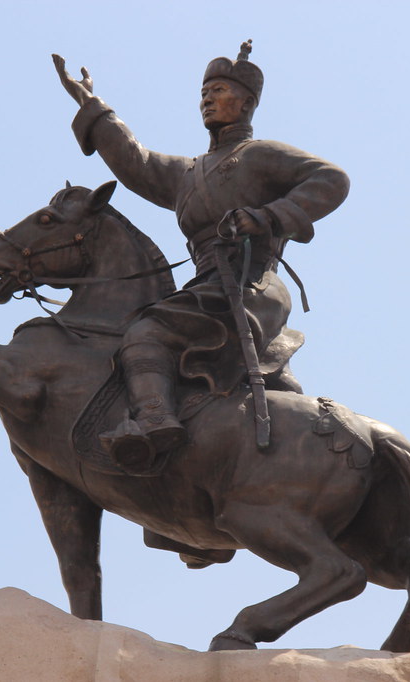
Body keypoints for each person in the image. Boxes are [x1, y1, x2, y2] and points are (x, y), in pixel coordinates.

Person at [52, 41, 349, 466]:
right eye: (203, 93)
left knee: (146, 332)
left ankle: (155, 422)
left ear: (246, 104)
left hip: (252, 283)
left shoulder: (261, 154)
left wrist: (268, 216)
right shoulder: (188, 173)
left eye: (219, 91)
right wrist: (92, 105)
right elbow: (136, 162)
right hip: (207, 284)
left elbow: (331, 179)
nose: (207, 100)